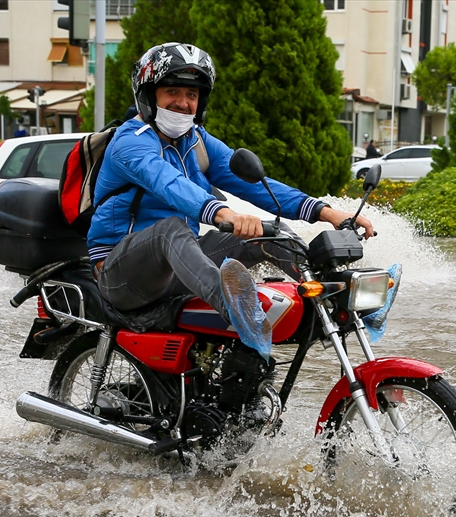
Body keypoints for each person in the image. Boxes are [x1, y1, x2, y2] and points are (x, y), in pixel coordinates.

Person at [88, 42, 373, 418]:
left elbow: (256, 185)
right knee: (169, 228)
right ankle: (236, 308)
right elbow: (169, 184)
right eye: (172, 91)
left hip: (179, 266)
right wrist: (219, 211)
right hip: (120, 271)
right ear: (147, 94)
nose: (183, 103)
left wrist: (325, 211)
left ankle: (332, 301)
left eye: (191, 94)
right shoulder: (130, 141)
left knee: (270, 233)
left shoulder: (198, 142)